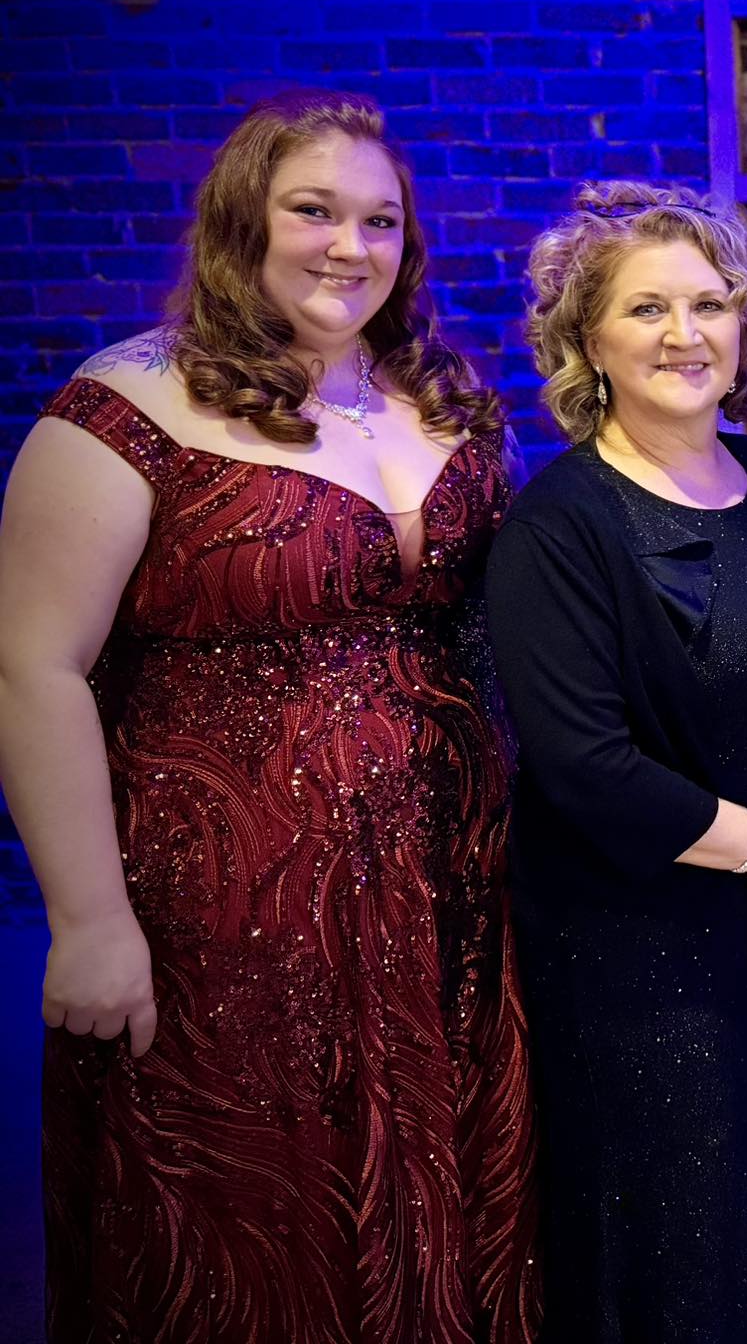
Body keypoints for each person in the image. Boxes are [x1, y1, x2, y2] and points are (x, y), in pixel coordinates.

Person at [0, 91, 537, 1342]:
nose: (350, 246)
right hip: (224, 919)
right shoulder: (127, 403)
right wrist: (86, 920)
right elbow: (34, 668)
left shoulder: (441, 398)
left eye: (380, 220)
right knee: (250, 1233)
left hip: (446, 894)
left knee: (448, 1213)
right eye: (315, 211)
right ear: (245, 217)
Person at [485, 181, 747, 1343]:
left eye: (710, 303)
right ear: (585, 337)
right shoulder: (558, 525)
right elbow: (583, 763)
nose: (684, 334)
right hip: (634, 947)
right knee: (677, 1237)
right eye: (647, 309)